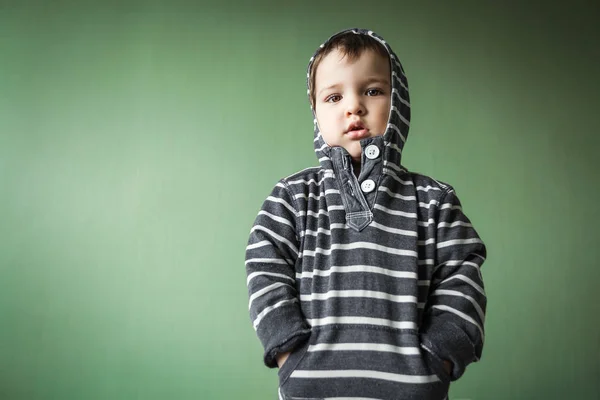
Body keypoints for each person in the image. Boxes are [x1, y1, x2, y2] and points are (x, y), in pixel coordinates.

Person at [245, 28, 487, 400]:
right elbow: (265, 267)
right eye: (334, 96)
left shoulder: (434, 201)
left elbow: (462, 278)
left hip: (413, 388)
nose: (353, 106)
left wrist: (440, 358)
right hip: (311, 388)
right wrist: (287, 351)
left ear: (399, 102)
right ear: (316, 112)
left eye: (372, 91)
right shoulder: (293, 197)